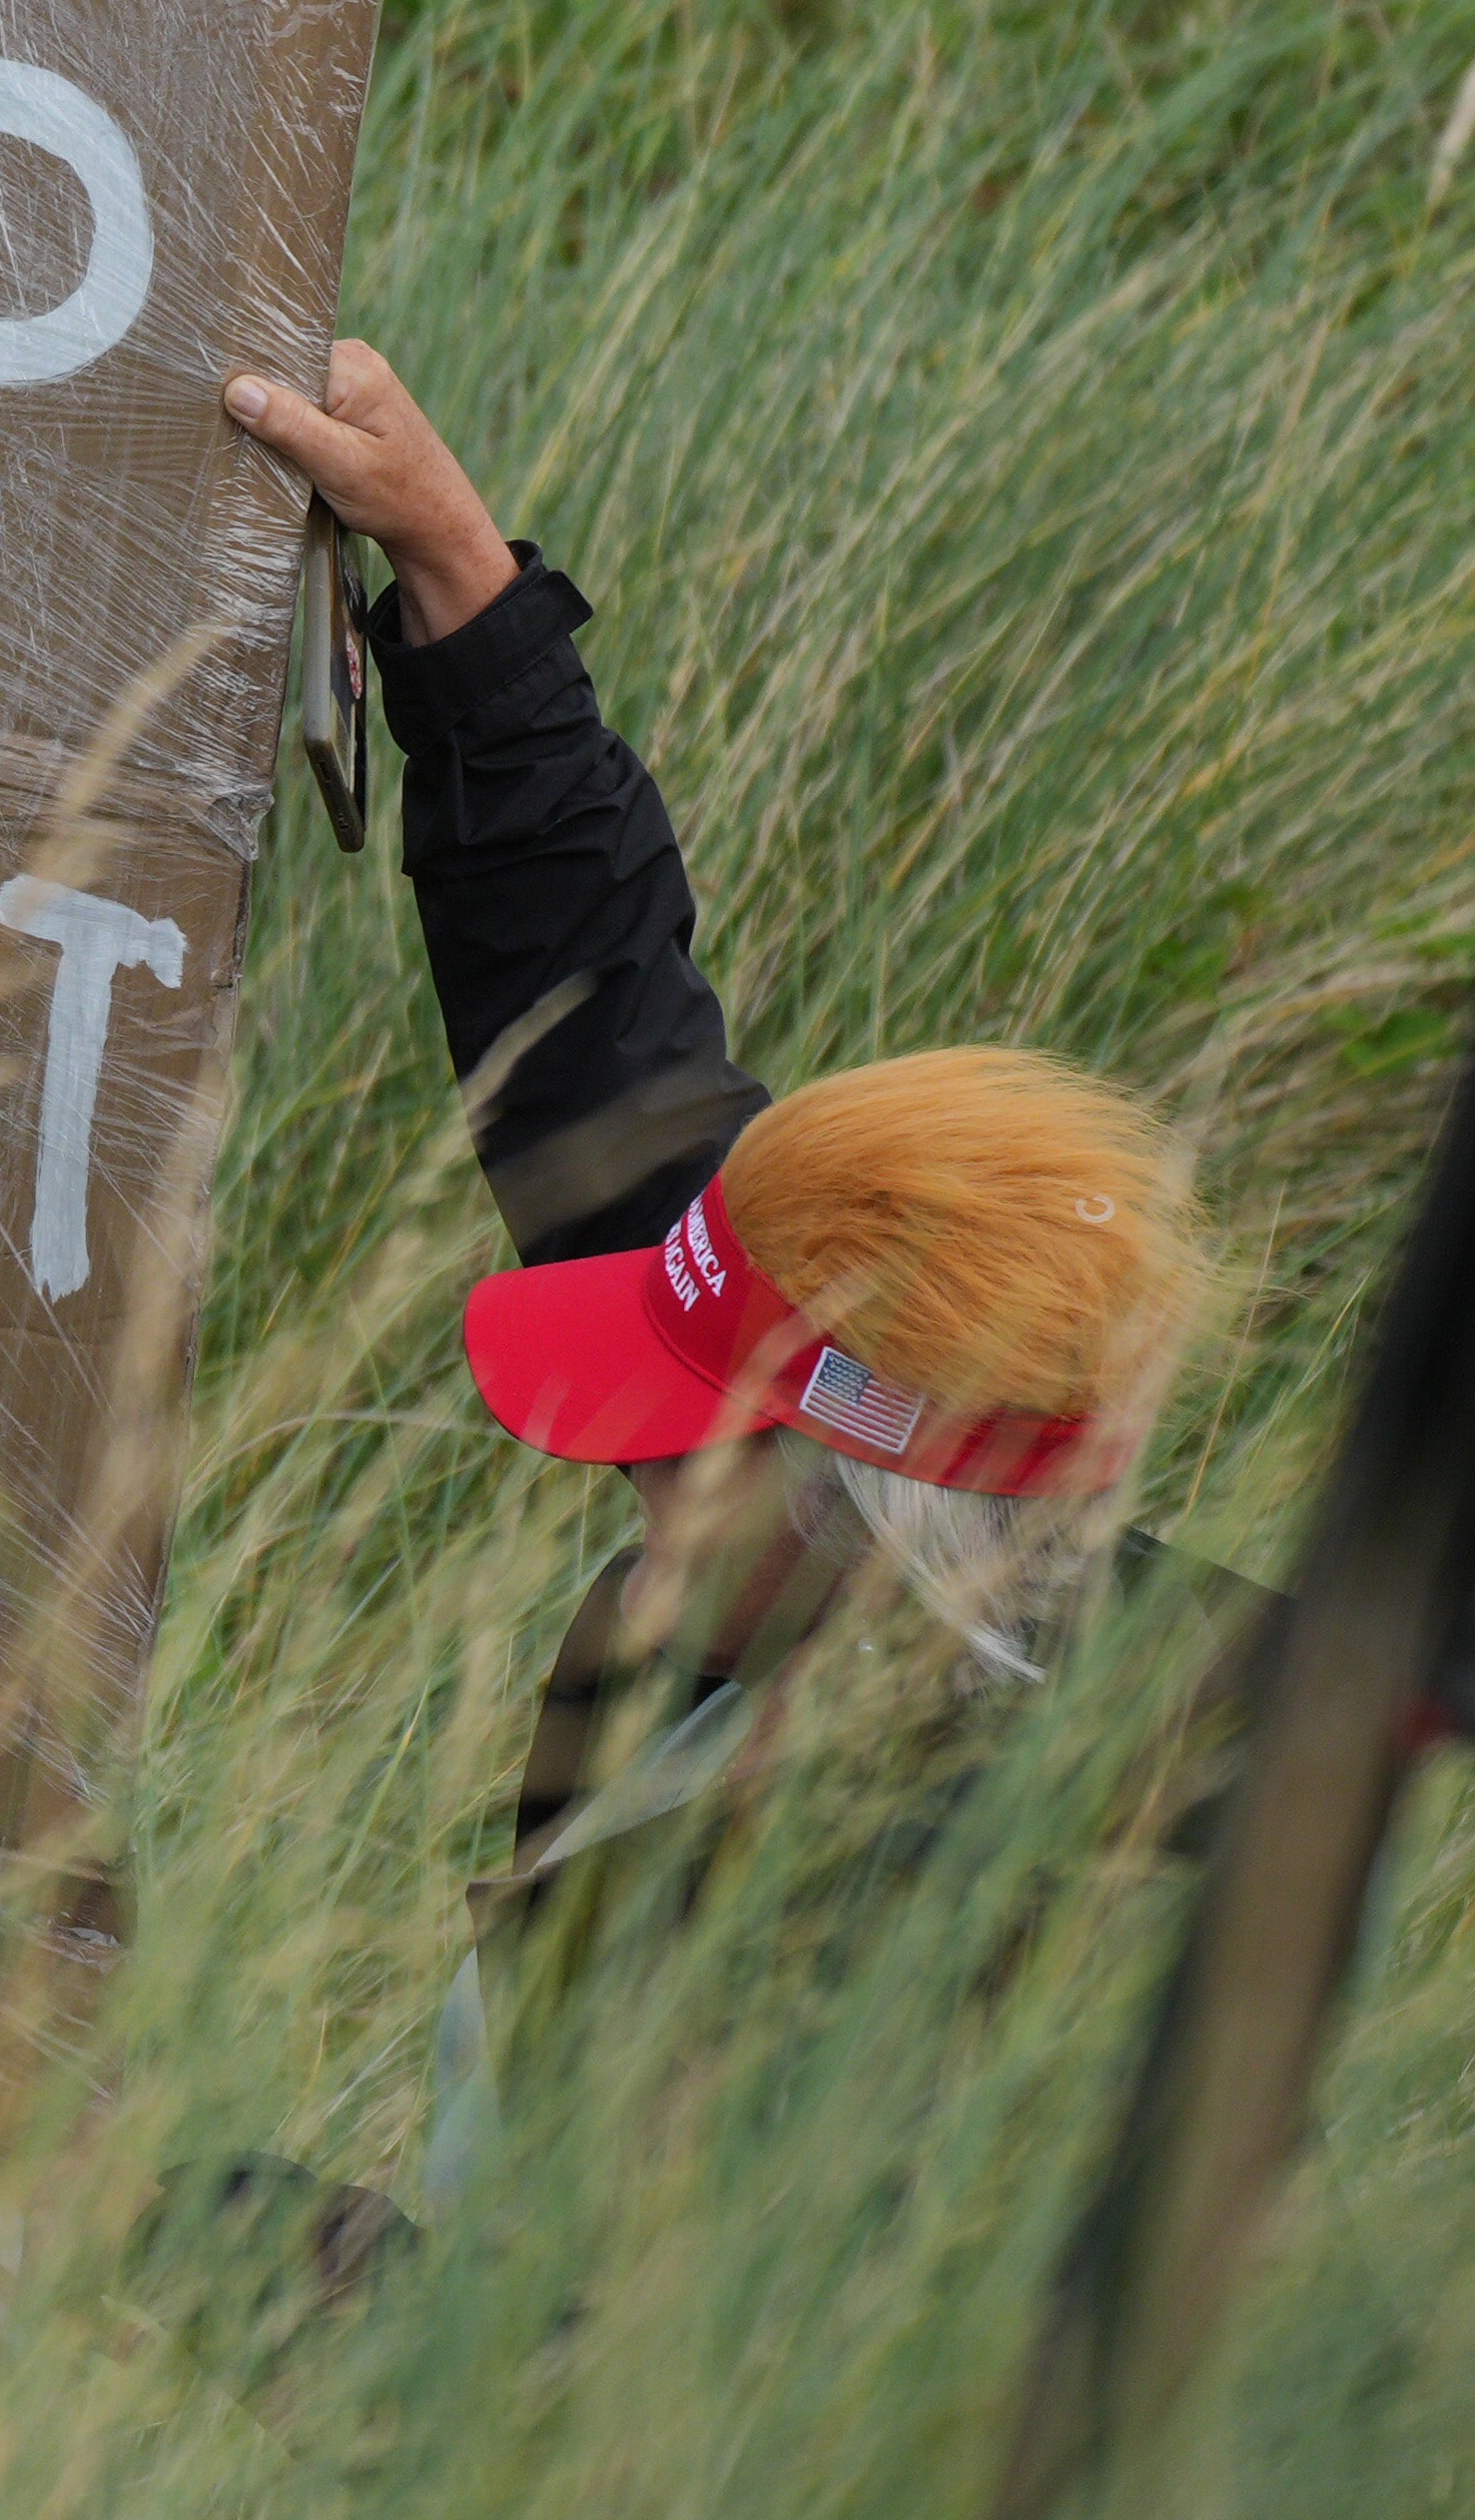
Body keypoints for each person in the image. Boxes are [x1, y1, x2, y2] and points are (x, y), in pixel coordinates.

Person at [220, 342, 1229, 2208]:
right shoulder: (885, 1499)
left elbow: (563, 2397)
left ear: (873, 1494)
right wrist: (458, 580)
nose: (644, 1472)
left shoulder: (936, 1924)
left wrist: (191, 2234)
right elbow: (618, 1090)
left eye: (703, 1433)